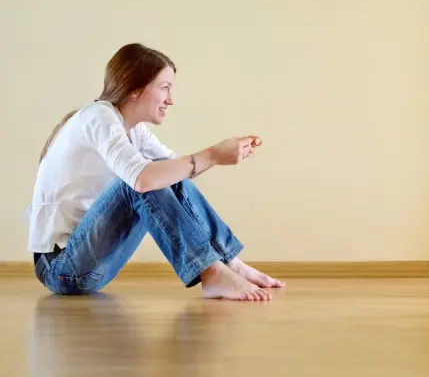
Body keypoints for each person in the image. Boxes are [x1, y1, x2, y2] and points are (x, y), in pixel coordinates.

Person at [26, 42, 285, 301]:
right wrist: (211, 155)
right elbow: (142, 180)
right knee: (139, 181)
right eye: (164, 88)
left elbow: (179, 171)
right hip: (62, 269)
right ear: (135, 89)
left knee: (167, 173)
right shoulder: (97, 116)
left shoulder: (133, 129)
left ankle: (229, 263)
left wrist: (221, 155)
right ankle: (212, 273)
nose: (170, 100)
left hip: (88, 263)